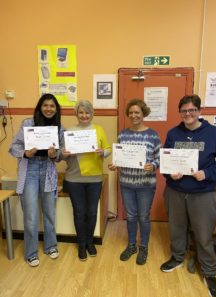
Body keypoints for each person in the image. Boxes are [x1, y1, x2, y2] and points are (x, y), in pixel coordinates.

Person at [160, 94, 216, 297]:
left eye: (191, 110)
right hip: (176, 191)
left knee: (204, 234)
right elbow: (165, 161)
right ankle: (178, 257)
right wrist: (169, 173)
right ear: (180, 113)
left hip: (202, 193)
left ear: (199, 111)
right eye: (184, 111)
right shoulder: (173, 133)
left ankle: (209, 272)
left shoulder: (213, 133)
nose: (187, 114)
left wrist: (207, 173)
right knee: (176, 229)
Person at [9, 93, 64, 267]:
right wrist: (26, 153)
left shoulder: (59, 128)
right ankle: (31, 252)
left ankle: (50, 246)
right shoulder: (28, 123)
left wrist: (56, 154)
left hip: (48, 170)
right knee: (31, 216)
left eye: (52, 106)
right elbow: (14, 147)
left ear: (56, 109)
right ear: (40, 107)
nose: (49, 109)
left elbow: (62, 154)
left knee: (49, 212)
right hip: (30, 170)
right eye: (45, 105)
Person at [109, 99, 161, 265]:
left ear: (143, 113)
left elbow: (160, 158)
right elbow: (119, 158)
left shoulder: (153, 135)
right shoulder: (123, 135)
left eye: (137, 112)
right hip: (126, 184)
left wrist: (152, 165)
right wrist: (115, 165)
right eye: (131, 112)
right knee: (131, 216)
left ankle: (143, 246)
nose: (134, 115)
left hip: (145, 184)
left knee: (143, 217)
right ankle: (132, 245)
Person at [62, 100, 111, 261]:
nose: (84, 115)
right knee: (79, 212)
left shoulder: (99, 129)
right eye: (81, 112)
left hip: (95, 178)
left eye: (87, 112)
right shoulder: (69, 131)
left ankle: (90, 242)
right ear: (76, 114)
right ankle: (82, 244)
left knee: (91, 212)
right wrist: (65, 154)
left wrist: (102, 152)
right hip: (74, 178)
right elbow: (62, 154)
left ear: (92, 114)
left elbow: (108, 149)